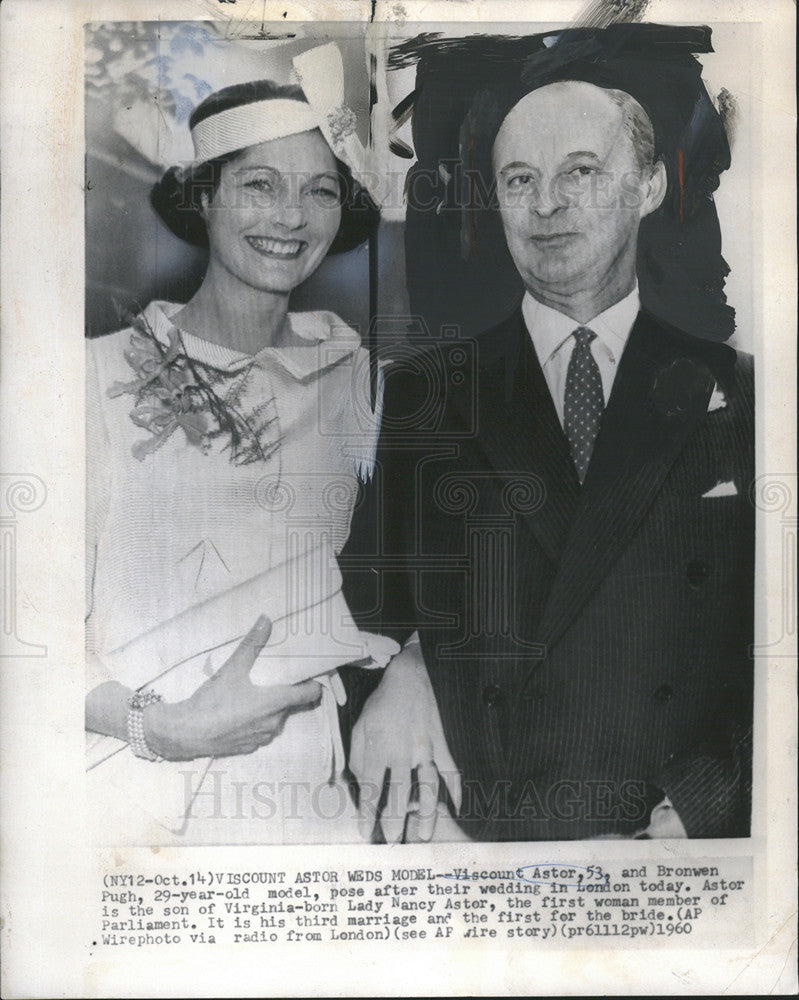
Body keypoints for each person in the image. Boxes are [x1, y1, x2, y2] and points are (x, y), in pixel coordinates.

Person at [344, 79, 754, 842]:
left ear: (651, 184)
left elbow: (774, 657)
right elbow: (364, 612)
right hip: (477, 849)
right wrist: (401, 666)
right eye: (518, 180)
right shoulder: (424, 395)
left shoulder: (744, 394)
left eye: (579, 172)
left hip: (663, 856)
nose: (545, 205)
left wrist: (688, 815)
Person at [85, 45, 396, 845]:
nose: (290, 218)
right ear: (205, 198)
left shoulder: (358, 380)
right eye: (259, 184)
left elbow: (418, 567)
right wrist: (164, 728)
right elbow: (22, 637)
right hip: (129, 784)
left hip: (308, 799)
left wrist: (417, 673)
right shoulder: (91, 375)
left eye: (318, 191)